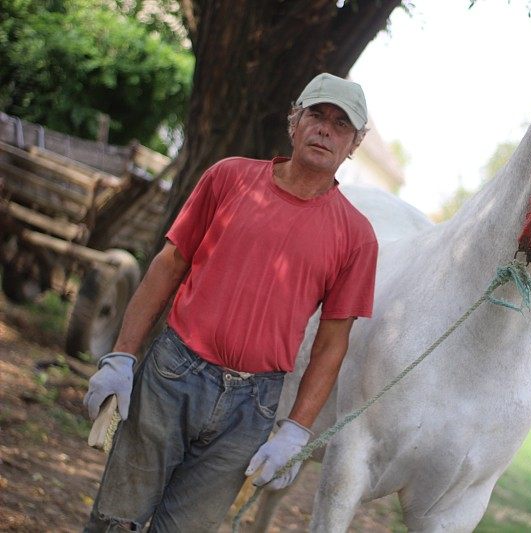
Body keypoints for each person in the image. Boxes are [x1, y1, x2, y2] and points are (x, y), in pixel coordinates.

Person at [82, 73, 378, 531]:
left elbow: (332, 343)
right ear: (294, 122)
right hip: (173, 374)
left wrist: (297, 428)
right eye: (317, 115)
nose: (326, 129)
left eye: (342, 125)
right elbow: (168, 265)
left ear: (355, 143)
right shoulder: (229, 177)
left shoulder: (357, 237)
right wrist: (121, 355)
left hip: (253, 407)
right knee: (116, 520)